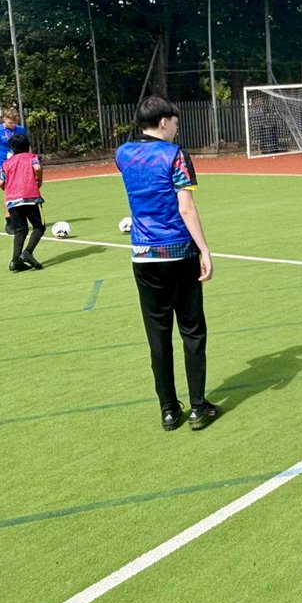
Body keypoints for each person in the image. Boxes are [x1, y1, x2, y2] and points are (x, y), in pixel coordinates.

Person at [115, 96, 220, 431]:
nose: (177, 128)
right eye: (175, 122)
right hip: (178, 252)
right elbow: (185, 206)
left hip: (143, 255)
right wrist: (204, 250)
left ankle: (169, 410)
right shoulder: (175, 155)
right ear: (163, 121)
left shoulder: (123, 153)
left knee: (157, 334)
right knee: (192, 330)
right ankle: (198, 407)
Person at [0, 131, 46, 272]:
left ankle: (15, 260)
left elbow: (0, 182)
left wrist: (9, 188)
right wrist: (39, 179)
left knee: (20, 230)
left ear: (11, 148)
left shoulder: (6, 163)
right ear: (28, 145)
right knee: (39, 227)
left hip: (12, 200)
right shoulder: (32, 158)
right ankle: (28, 252)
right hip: (30, 197)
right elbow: (37, 167)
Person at [0, 108, 27, 232]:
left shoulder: (21, 130)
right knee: (9, 192)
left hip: (19, 165)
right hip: (3, 165)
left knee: (22, 192)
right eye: (10, 123)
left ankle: (19, 219)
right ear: (4, 119)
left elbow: (27, 147)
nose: (12, 125)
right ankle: (10, 221)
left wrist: (30, 161)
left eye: (14, 123)